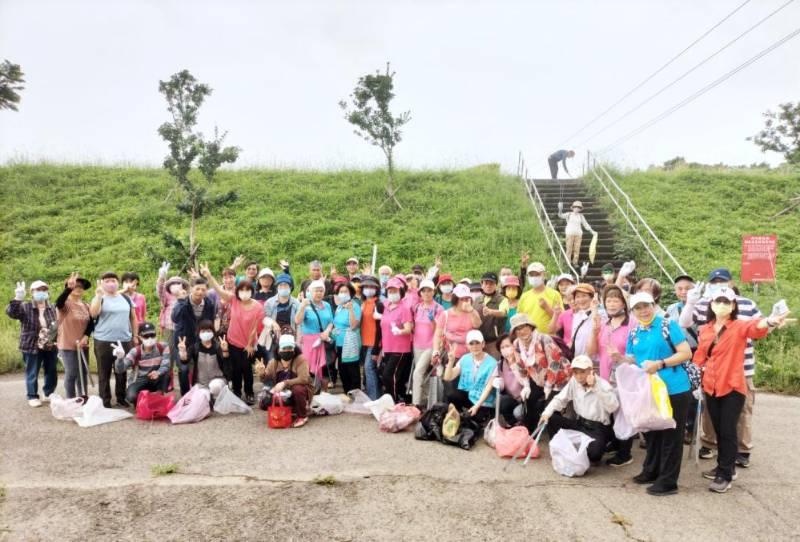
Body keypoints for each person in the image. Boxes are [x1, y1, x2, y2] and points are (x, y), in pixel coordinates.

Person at [692, 287, 788, 493]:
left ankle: (725, 474)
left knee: (728, 430)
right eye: (718, 301)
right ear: (711, 304)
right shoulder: (705, 329)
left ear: (733, 305)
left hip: (733, 386)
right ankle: (723, 465)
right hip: (710, 385)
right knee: (718, 429)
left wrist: (771, 320)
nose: (722, 305)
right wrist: (694, 379)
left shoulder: (739, 326)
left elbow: (756, 327)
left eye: (726, 302)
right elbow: (700, 355)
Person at [679, 267, 763, 468]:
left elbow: (759, 326)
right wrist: (691, 302)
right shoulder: (705, 303)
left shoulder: (747, 304)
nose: (719, 285)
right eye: (715, 282)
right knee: (711, 410)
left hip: (742, 367)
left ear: (731, 283)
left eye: (723, 281)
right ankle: (709, 443)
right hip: (713, 369)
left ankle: (741, 450)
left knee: (742, 411)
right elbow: (685, 322)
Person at [624, 292, 692, 496]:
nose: (643, 311)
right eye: (638, 308)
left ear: (654, 305)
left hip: (674, 388)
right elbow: (633, 359)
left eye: (646, 306)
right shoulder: (635, 332)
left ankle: (668, 481)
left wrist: (661, 363)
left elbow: (686, 353)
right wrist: (619, 358)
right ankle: (651, 470)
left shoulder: (667, 325)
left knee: (671, 434)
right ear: (633, 312)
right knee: (652, 430)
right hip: (649, 389)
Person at [540, 354, 619, 466]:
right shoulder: (574, 381)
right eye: (576, 372)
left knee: (595, 454)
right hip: (580, 424)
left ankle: (577, 449)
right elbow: (560, 398)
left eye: (583, 372)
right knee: (551, 418)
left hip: (597, 428)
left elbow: (613, 407)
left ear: (591, 371)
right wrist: (546, 413)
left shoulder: (603, 385)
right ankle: (564, 448)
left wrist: (595, 387)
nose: (579, 376)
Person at [202, 266, 263, 405]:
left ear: (252, 292)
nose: (244, 293)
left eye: (248, 290)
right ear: (238, 291)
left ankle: (249, 393)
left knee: (247, 368)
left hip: (248, 342)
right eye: (242, 290)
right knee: (235, 367)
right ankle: (236, 391)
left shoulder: (257, 306)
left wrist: (249, 344)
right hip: (233, 340)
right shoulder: (234, 300)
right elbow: (219, 290)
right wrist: (209, 276)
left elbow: (255, 327)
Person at [586, 285, 633, 466]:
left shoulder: (632, 324)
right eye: (608, 300)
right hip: (606, 377)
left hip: (625, 377)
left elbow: (637, 355)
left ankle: (625, 453)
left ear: (623, 302)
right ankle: (615, 443)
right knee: (611, 411)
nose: (612, 304)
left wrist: (620, 358)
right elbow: (591, 352)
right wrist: (594, 331)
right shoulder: (604, 324)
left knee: (624, 414)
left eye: (616, 300)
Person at [509, 313, 571, 430]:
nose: (521, 331)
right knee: (529, 399)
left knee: (551, 408)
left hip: (559, 378)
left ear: (530, 327)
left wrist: (548, 386)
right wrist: (526, 385)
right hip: (539, 379)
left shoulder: (544, 339)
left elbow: (555, 363)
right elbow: (520, 365)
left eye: (524, 327)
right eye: (517, 329)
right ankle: (530, 433)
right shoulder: (517, 344)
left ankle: (556, 435)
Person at [6, 280, 59, 407]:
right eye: (38, 290)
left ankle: (49, 393)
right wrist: (17, 299)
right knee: (32, 371)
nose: (41, 292)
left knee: (51, 370)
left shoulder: (52, 307)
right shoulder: (25, 306)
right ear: (32, 292)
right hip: (31, 344)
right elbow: (12, 313)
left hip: (50, 344)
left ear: (47, 292)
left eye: (44, 290)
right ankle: (32, 396)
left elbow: (57, 324)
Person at [91, 272, 137, 408]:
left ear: (118, 283)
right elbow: (93, 313)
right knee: (104, 371)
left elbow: (133, 318)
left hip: (124, 339)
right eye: (107, 281)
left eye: (113, 280)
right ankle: (105, 400)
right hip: (103, 340)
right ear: (102, 283)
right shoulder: (99, 298)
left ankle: (121, 397)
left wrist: (135, 335)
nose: (111, 283)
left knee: (121, 370)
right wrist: (98, 296)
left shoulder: (126, 298)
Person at [665, 274, 700, 440]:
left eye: (688, 288)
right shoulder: (671, 309)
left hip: (694, 351)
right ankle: (678, 425)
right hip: (676, 354)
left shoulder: (701, 307)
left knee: (693, 392)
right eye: (680, 288)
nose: (683, 291)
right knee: (679, 390)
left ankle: (691, 428)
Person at [171, 277, 217, 394]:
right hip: (183, 341)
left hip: (200, 342)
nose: (200, 292)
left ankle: (201, 394)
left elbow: (210, 322)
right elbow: (175, 318)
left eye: (203, 289)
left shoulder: (209, 303)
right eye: (197, 289)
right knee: (184, 369)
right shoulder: (183, 301)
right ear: (191, 289)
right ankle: (185, 396)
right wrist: (181, 301)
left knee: (201, 369)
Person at [256, 335, 313, 428]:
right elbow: (265, 379)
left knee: (297, 389)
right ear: (279, 350)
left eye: (290, 348)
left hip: (300, 390)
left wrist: (284, 383)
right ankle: (289, 409)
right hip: (283, 393)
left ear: (294, 349)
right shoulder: (273, 362)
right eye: (284, 348)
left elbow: (304, 379)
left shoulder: (300, 359)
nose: (287, 350)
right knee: (263, 402)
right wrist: (262, 373)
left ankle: (302, 416)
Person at [442, 329, 497, 425]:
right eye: (471, 343)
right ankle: (459, 414)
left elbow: (488, 389)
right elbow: (448, 377)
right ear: (467, 346)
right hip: (469, 395)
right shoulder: (465, 358)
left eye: (477, 343)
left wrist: (476, 406)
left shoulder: (492, 363)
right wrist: (451, 361)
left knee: (475, 419)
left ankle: (470, 415)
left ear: (483, 344)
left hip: (483, 401)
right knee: (451, 393)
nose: (475, 346)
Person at [55, 273, 93, 399]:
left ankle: (83, 398)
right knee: (72, 373)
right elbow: (58, 302)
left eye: (81, 286)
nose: (78, 287)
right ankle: (70, 400)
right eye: (75, 285)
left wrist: (86, 336)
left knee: (83, 373)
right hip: (67, 345)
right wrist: (68, 289)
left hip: (82, 345)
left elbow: (91, 323)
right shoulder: (65, 304)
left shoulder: (86, 306)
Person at [116, 322, 170, 406]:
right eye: (146, 336)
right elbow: (120, 369)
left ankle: (159, 397)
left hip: (156, 378)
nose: (150, 338)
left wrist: (158, 372)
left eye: (152, 335)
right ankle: (143, 400)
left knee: (166, 375)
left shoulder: (163, 347)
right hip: (140, 380)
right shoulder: (135, 351)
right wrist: (119, 359)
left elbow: (166, 365)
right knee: (131, 397)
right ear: (140, 337)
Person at [409, 279, 444, 407]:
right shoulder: (417, 307)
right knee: (423, 374)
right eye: (424, 291)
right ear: (420, 293)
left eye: (429, 290)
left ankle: (415, 405)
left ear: (434, 292)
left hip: (431, 346)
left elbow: (439, 331)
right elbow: (413, 325)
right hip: (417, 345)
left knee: (417, 373)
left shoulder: (438, 308)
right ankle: (429, 403)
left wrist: (433, 321)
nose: (427, 293)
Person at [295, 279, 334, 390]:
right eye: (316, 291)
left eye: (321, 291)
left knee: (325, 369)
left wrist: (327, 332)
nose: (319, 293)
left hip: (324, 339)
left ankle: (324, 393)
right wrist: (302, 306)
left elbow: (331, 321)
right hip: (309, 343)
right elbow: (297, 321)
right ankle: (310, 394)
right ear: (310, 292)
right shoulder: (305, 305)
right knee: (309, 369)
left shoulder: (326, 305)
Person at [379, 277, 414, 402]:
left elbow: (408, 329)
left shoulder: (404, 308)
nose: (392, 294)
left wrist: (400, 331)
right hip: (387, 347)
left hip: (400, 349)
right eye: (390, 291)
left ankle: (392, 402)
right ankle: (393, 400)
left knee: (389, 376)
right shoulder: (386, 306)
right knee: (390, 377)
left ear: (401, 292)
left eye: (395, 291)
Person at [432, 283, 481, 368]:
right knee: (451, 379)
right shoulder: (446, 314)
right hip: (451, 355)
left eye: (467, 299)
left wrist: (471, 311)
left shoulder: (472, 312)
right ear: (455, 299)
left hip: (470, 354)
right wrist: (436, 351)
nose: (465, 301)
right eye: (462, 299)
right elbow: (438, 334)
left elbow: (477, 325)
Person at [551, 283, 597, 359]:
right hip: (576, 360)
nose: (580, 300)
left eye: (584, 296)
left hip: (593, 360)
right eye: (578, 297)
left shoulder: (600, 313)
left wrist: (595, 308)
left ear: (592, 297)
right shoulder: (577, 316)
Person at [179, 319, 229, 388]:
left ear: (213, 332)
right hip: (201, 383)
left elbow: (226, 359)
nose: (206, 333)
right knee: (198, 396)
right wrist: (182, 351)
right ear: (199, 333)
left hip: (218, 380)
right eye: (203, 331)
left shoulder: (217, 346)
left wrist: (225, 350)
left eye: (208, 331)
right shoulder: (195, 347)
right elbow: (184, 361)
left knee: (215, 387)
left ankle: (217, 397)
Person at [332, 281, 362, 393]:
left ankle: (356, 395)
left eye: (346, 291)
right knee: (342, 370)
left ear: (351, 293)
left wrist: (350, 310)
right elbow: (336, 323)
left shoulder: (355, 306)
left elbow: (354, 325)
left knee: (352, 370)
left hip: (350, 342)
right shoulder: (339, 307)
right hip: (339, 343)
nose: (343, 294)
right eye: (341, 292)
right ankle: (347, 393)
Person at [518, 262, 562, 335]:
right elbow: (520, 318)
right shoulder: (524, 296)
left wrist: (547, 308)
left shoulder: (554, 294)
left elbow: (561, 319)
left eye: (537, 274)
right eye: (531, 275)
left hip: (548, 338)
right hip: (529, 338)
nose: (534, 277)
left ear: (544, 275)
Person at [359, 275, 383, 399]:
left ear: (376, 289)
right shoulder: (363, 304)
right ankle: (373, 396)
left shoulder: (378, 304)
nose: (368, 289)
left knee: (369, 369)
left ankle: (373, 398)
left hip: (374, 342)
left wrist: (377, 348)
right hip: (363, 341)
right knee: (368, 370)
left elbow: (381, 327)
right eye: (366, 286)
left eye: (371, 287)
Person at [475, 272, 506, 358]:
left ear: (496, 285)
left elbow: (503, 312)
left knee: (494, 367)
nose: (488, 286)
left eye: (491, 283)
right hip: (478, 342)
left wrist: (491, 312)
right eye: (486, 283)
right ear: (482, 285)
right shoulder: (477, 300)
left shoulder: (502, 300)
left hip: (494, 342)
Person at [558, 200, 595, 266]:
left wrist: (592, 231)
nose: (577, 208)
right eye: (575, 207)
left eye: (578, 207)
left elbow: (585, 224)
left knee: (577, 249)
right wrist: (560, 209)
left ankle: (575, 262)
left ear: (580, 209)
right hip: (569, 234)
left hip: (578, 234)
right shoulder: (568, 214)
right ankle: (568, 262)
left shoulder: (581, 216)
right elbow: (560, 216)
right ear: (573, 207)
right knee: (569, 248)